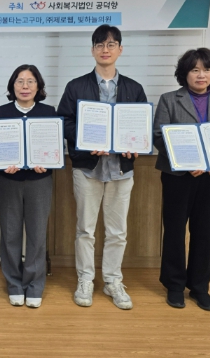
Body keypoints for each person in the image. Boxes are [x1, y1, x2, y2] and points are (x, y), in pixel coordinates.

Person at [57, 24, 147, 310]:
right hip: (88, 169)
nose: (105, 50)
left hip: (121, 169)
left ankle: (112, 281)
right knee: (85, 229)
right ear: (92, 50)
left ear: (120, 49)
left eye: (110, 45)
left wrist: (136, 144)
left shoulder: (134, 88)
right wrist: (86, 142)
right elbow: (64, 122)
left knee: (117, 231)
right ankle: (85, 279)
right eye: (99, 45)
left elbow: (141, 125)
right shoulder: (76, 86)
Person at [153, 48, 210, 311]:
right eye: (195, 70)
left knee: (203, 231)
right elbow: (158, 136)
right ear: (185, 74)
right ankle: (175, 285)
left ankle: (200, 287)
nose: (202, 75)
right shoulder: (169, 99)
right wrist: (186, 162)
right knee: (175, 230)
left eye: (207, 69)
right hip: (178, 177)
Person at [0, 65, 56, 308]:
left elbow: (54, 147)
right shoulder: (1, 112)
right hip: (9, 181)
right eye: (20, 81)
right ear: (13, 86)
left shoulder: (49, 112)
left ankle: (35, 285)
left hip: (39, 181)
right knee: (10, 234)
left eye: (30, 81)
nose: (25, 86)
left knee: (37, 234)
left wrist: (47, 163)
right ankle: (14, 284)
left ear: (38, 86)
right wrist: (2, 165)